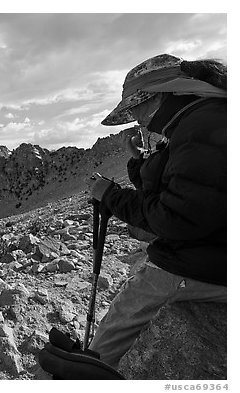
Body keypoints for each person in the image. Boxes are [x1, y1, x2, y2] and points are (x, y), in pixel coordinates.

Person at [86, 53, 227, 369]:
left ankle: (91, 371)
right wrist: (138, 160)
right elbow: (174, 190)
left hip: (203, 263)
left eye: (137, 106)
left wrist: (110, 195)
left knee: (120, 318)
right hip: (211, 255)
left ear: (162, 95)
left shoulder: (203, 126)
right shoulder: (200, 120)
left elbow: (174, 219)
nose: (136, 117)